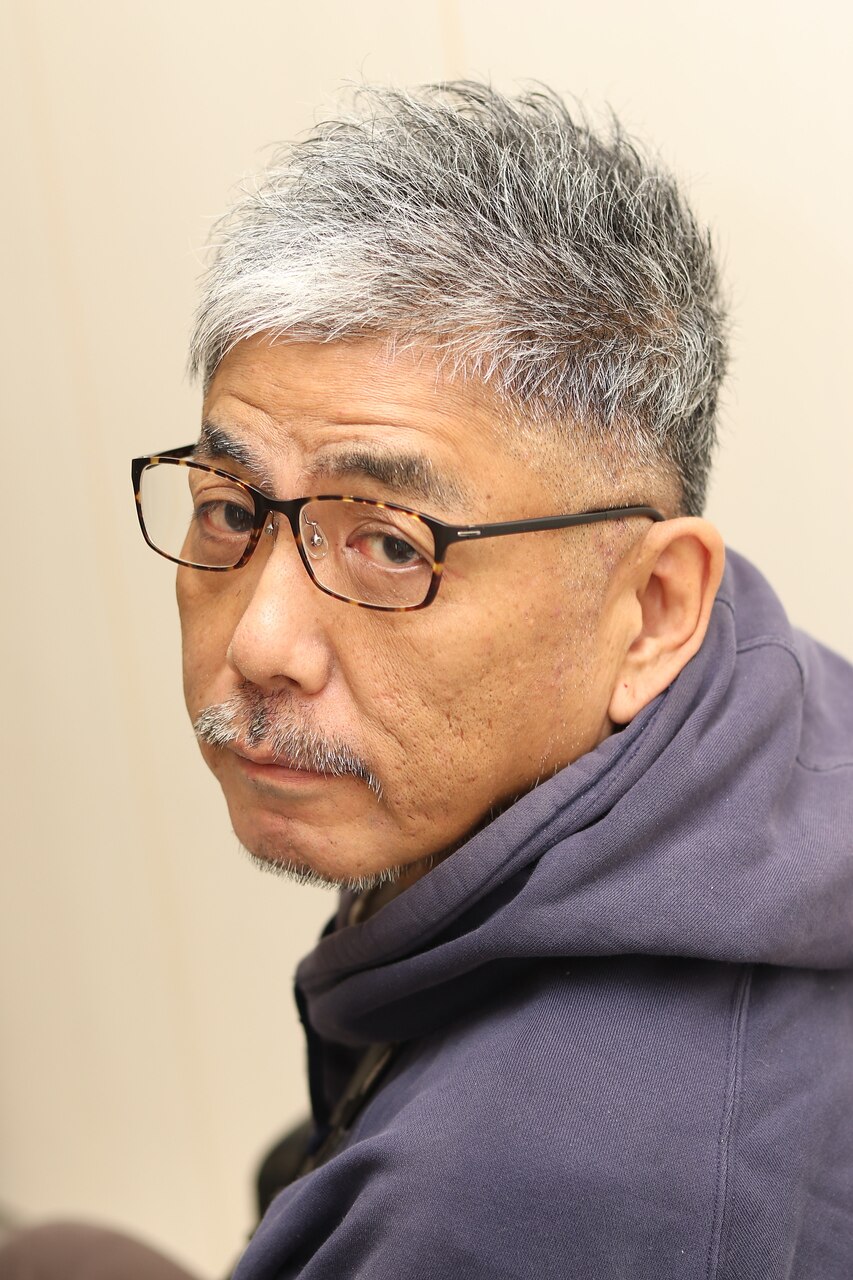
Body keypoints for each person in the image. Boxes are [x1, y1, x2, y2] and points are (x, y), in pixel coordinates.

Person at [3, 81, 851, 1279]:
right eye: (231, 508)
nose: (261, 642)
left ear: (654, 606)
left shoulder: (507, 1191)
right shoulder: (761, 703)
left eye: (392, 544)